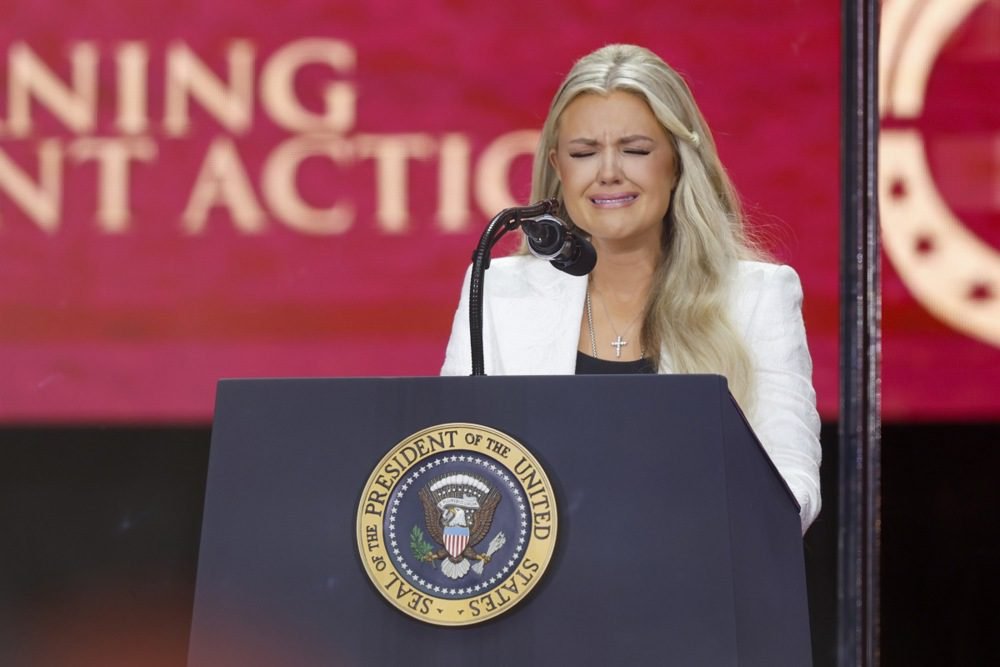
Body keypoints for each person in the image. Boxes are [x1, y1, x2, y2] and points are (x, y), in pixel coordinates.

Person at [441, 44, 821, 533]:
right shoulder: (497, 292)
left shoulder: (756, 297)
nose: (608, 172)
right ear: (558, 166)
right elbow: (453, 463)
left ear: (677, 163)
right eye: (584, 153)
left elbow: (792, 488)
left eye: (636, 150)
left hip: (694, 569)